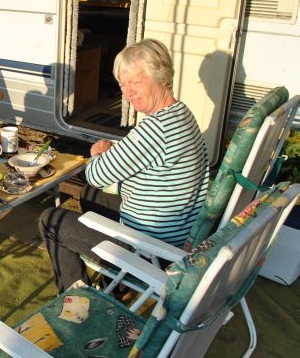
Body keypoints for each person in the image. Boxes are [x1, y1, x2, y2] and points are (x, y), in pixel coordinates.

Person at [39, 39, 210, 293]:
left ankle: (78, 302)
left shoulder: (155, 129)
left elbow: (95, 174)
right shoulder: (181, 113)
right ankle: (115, 285)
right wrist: (112, 157)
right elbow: (135, 160)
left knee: (51, 220)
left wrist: (97, 154)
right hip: (174, 230)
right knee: (91, 195)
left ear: (162, 78)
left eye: (135, 82)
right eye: (122, 84)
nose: (128, 92)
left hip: (152, 250)